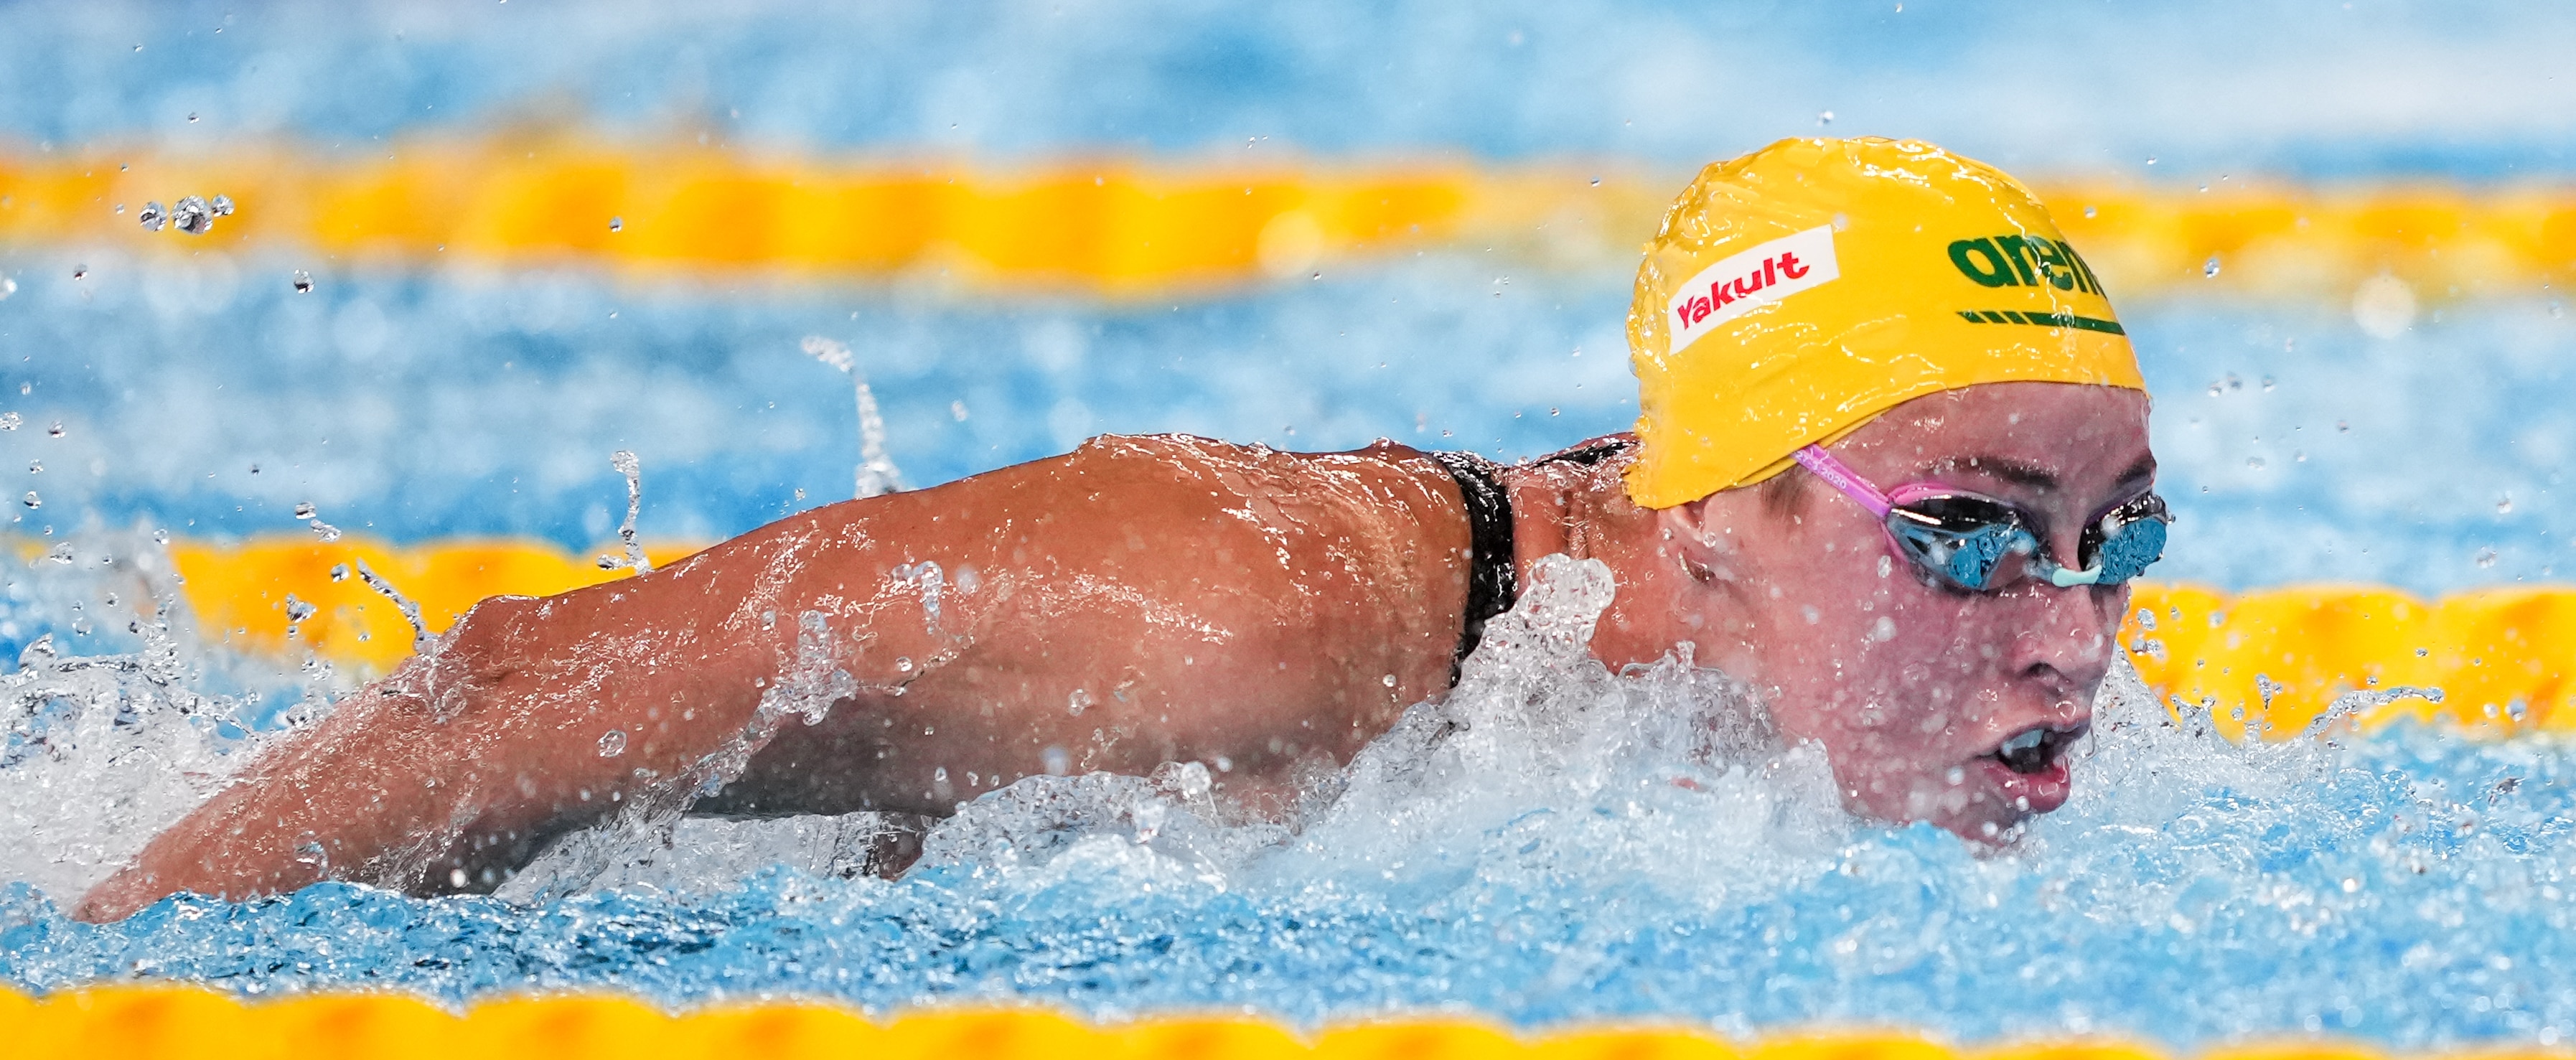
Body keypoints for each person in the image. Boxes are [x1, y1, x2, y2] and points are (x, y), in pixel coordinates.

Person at [77, 136, 2163, 922]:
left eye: (2117, 543)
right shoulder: (1242, 609)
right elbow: (524, 682)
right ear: (1705, 511)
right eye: (1975, 543)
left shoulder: (1803, 696)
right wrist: (103, 975)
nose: (2070, 639)